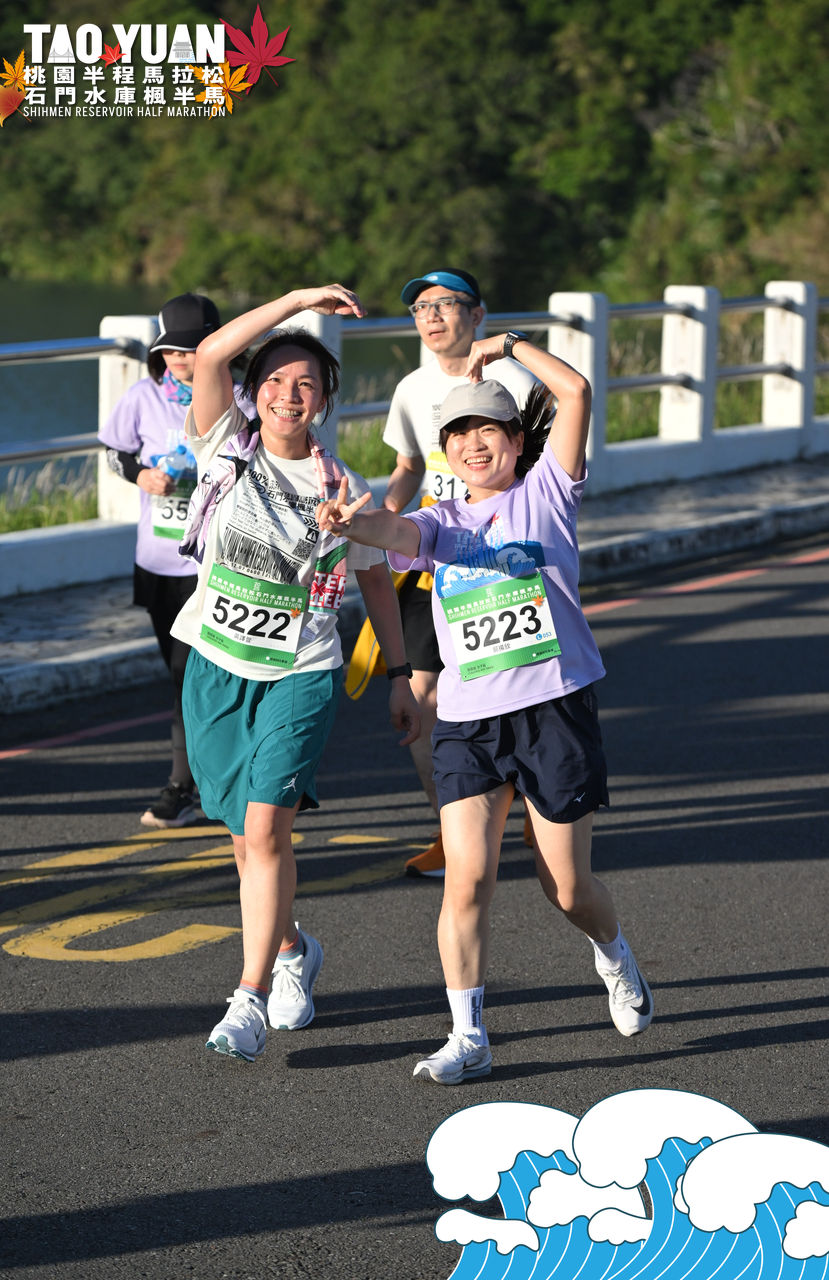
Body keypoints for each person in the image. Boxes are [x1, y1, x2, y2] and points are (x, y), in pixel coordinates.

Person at [317, 331, 653, 1084]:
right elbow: (394, 530)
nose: (474, 444)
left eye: (489, 430)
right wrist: (349, 525)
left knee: (567, 888)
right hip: (468, 721)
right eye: (459, 433)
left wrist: (507, 346)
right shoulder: (442, 522)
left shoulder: (548, 493)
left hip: (554, 711)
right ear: (445, 450)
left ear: (515, 441)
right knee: (466, 879)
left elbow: (574, 391)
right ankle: (467, 1035)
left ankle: (612, 953)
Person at [170, 283, 420, 1064]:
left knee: (266, 830)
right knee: (242, 839)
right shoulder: (223, 446)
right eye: (274, 380)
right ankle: (289, 950)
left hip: (300, 671)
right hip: (215, 665)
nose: (288, 394)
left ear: (324, 401)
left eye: (305, 383)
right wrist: (300, 300)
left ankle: (246, 999)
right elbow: (210, 352)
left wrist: (399, 675)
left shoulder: (343, 489)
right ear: (252, 392)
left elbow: (375, 581)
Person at [377, 268, 539, 878]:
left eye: (446, 304)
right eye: (421, 307)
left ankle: (537, 797)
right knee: (420, 702)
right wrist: (383, 519)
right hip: (436, 560)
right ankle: (451, 830)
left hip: (505, 562)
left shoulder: (517, 381)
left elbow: (552, 464)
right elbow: (409, 465)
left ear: (477, 315)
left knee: (521, 690)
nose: (433, 316)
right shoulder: (412, 387)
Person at [100, 292, 225, 829]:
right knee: (179, 679)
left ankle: (184, 785)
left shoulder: (241, 399)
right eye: (171, 349)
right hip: (157, 561)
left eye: (191, 349)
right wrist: (140, 475)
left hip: (213, 567)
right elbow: (114, 452)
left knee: (188, 674)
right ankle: (200, 780)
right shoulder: (143, 397)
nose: (179, 359)